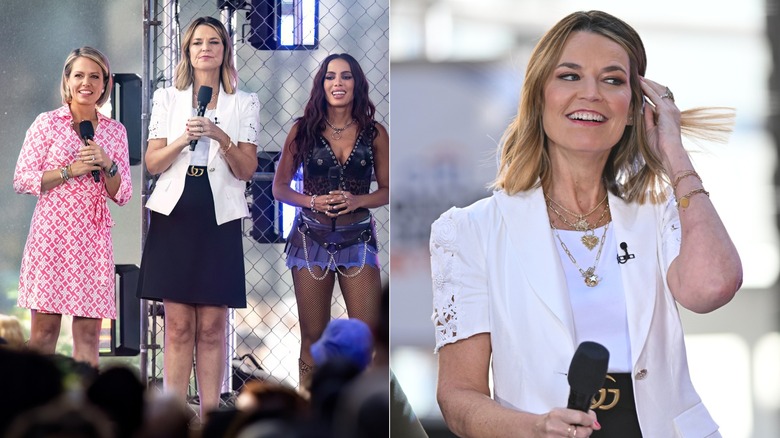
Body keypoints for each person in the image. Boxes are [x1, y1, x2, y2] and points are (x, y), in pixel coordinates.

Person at [429, 10, 742, 438]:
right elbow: (458, 396)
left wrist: (674, 152)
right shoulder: (469, 231)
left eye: (613, 80)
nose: (591, 94)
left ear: (634, 108)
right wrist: (536, 427)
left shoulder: (662, 211)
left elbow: (712, 288)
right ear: (539, 97)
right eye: (570, 76)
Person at [136, 16, 260, 416]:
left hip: (217, 216)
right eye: (197, 43)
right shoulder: (166, 99)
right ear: (187, 52)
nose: (205, 48)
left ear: (225, 50)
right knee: (179, 327)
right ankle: (173, 415)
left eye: (213, 42)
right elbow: (153, 164)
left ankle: (210, 418)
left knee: (211, 326)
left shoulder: (245, 102)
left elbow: (246, 169)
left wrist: (219, 136)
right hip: (176, 213)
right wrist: (184, 138)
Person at [272, 53, 389, 384]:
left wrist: (358, 200)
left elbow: (388, 189)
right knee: (312, 336)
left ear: (357, 84)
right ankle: (310, 407)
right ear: (321, 84)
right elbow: (280, 188)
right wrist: (311, 200)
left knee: (367, 336)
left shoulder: (375, 133)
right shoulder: (303, 129)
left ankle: (365, 409)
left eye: (346, 76)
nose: (338, 83)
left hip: (358, 238)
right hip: (311, 239)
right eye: (330, 77)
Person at [13, 46, 132, 368]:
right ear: (67, 80)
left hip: (92, 240)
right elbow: (22, 179)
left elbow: (122, 195)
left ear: (106, 83)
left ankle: (85, 412)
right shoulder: (47, 123)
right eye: (79, 75)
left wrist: (108, 165)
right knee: (44, 333)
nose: (87, 83)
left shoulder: (114, 131)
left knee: (90, 337)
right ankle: (35, 407)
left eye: (95, 76)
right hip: (51, 236)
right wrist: (69, 171)